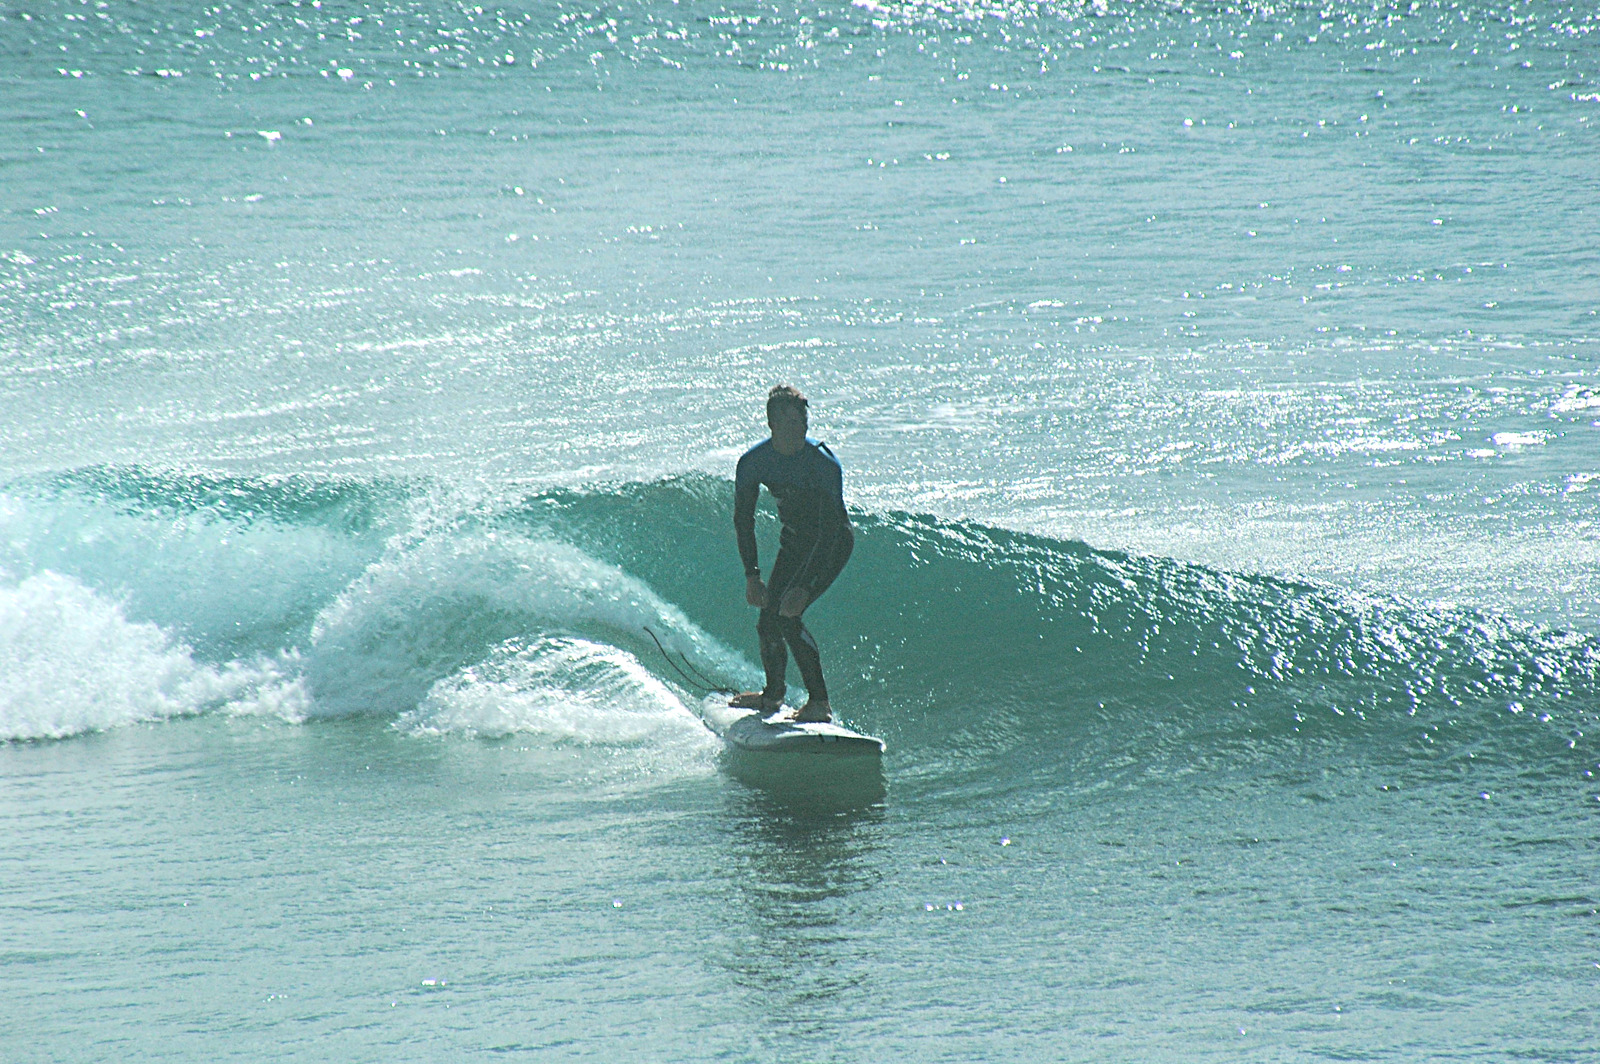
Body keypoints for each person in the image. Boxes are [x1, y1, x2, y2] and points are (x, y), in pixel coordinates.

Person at [730, 385, 854, 723]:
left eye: (802, 418)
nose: (799, 425)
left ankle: (819, 703)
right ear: (772, 424)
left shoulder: (823, 463)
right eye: (789, 420)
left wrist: (805, 585)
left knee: (788, 614)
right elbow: (743, 520)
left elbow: (830, 531)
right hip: (795, 541)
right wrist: (752, 575)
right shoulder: (754, 463)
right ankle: (772, 696)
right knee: (768, 619)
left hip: (830, 545)